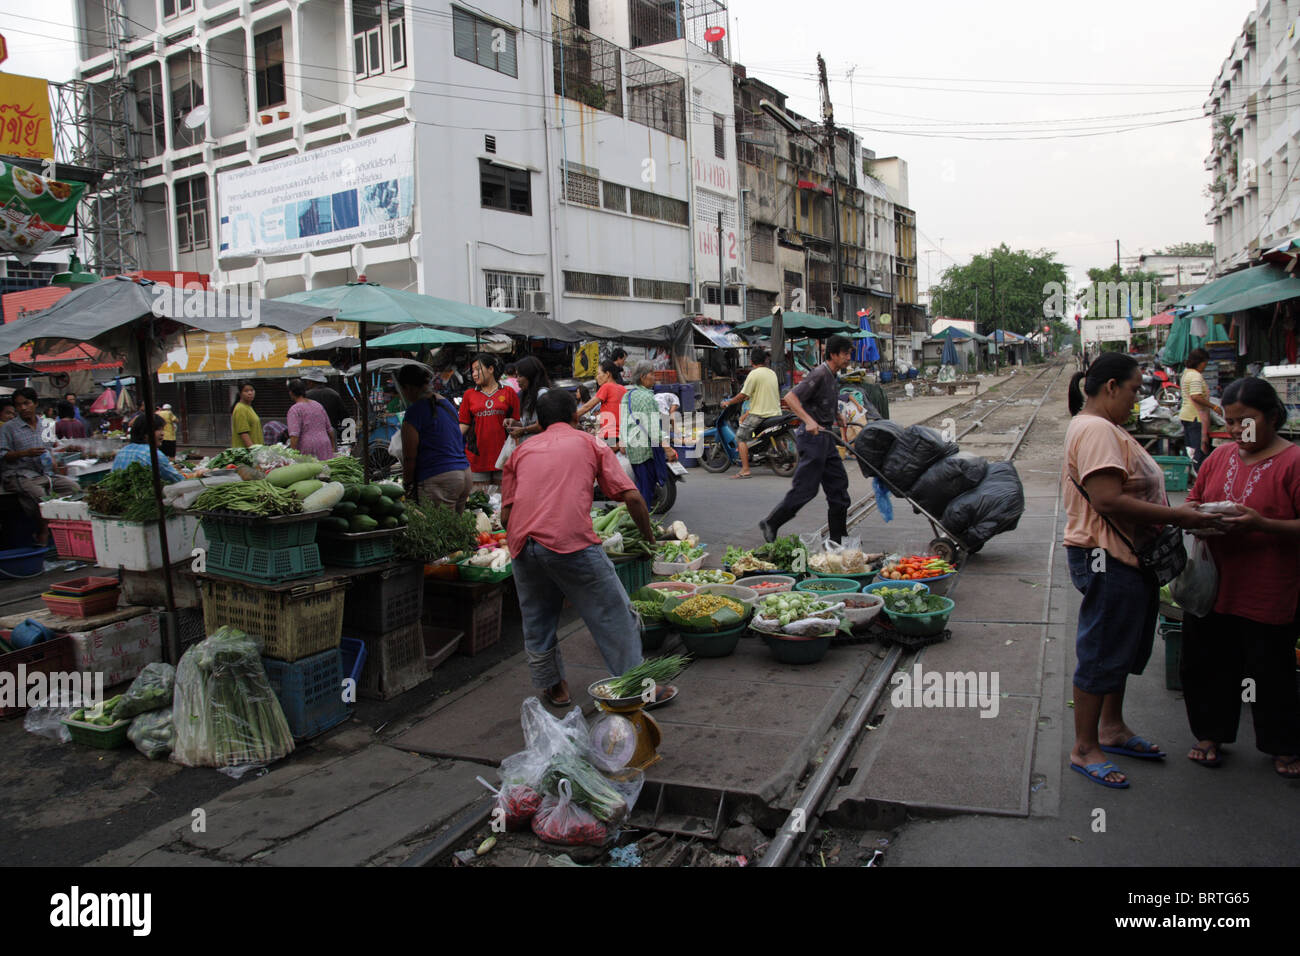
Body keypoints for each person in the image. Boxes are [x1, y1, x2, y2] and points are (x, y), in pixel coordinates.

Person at [1062, 352, 1222, 788]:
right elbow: (1107, 500)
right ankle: (1084, 747)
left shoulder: (1101, 425)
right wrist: (1183, 518)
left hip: (1123, 555)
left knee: (1120, 645)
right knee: (1102, 648)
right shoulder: (1096, 429)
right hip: (1107, 555)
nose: (1138, 399)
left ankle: (1111, 728)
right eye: (1134, 389)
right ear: (1110, 386)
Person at [503, 388, 653, 706]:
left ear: (540, 422)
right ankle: (636, 686)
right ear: (575, 416)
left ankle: (553, 686)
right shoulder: (590, 442)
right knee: (612, 612)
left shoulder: (520, 452)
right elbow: (633, 497)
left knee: (537, 618)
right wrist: (649, 538)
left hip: (521, 543)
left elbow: (506, 514)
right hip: (569, 540)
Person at [1181, 376, 1300, 777]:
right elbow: (1195, 498)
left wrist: (1262, 524)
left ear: (1271, 417)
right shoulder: (1220, 457)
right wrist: (1198, 518)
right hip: (1215, 587)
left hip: (1269, 588)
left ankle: (1283, 744)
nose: (1236, 430)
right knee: (1209, 663)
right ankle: (1211, 734)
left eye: (1244, 421)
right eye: (1230, 422)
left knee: (1272, 670)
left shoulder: (1293, 462)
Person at [759, 335, 855, 544]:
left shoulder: (833, 375)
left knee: (839, 487)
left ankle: (838, 540)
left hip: (826, 438)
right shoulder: (819, 373)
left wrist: (837, 415)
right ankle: (771, 522)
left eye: (849, 353)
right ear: (833, 354)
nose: (849, 357)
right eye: (845, 353)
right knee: (806, 489)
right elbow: (790, 397)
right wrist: (809, 421)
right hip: (812, 439)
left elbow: (823, 400)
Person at [0, 387, 80, 547]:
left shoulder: (45, 425)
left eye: (26, 403)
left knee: (74, 488)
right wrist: (25, 453)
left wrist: (67, 448)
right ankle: (43, 530)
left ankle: (62, 530)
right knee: (41, 497)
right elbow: (3, 454)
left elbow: (54, 446)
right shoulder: (8, 428)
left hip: (45, 473)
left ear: (35, 404)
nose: (23, 408)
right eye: (18, 405)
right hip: (19, 474)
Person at [398, 364, 472, 511]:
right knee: (456, 530)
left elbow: (409, 457)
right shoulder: (446, 404)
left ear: (409, 388)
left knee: (437, 532)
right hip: (464, 474)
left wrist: (407, 487)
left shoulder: (415, 411)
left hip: (439, 478)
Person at [619, 361, 678, 505]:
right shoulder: (647, 398)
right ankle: (641, 521)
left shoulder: (628, 395)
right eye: (652, 374)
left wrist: (622, 440)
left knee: (641, 486)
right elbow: (652, 427)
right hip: (646, 450)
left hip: (634, 449)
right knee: (646, 490)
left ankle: (637, 517)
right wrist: (667, 448)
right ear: (643, 377)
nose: (654, 377)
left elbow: (623, 420)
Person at [459, 352, 519, 487]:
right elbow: (464, 424)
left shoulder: (508, 393)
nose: (474, 374)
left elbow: (518, 423)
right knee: (478, 504)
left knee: (504, 502)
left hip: (504, 457)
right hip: (477, 458)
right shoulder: (469, 395)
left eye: (478, 369)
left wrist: (513, 423)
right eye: (472, 370)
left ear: (491, 369)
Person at [721, 347, 782, 479]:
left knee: (741, 437)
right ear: (765, 360)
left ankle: (745, 470)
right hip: (776, 411)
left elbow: (743, 394)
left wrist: (729, 402)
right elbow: (760, 392)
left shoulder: (754, 374)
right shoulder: (772, 373)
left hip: (760, 414)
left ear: (751, 361)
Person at [112, 413, 184, 483]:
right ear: (145, 433)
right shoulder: (153, 454)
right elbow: (178, 480)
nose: (162, 433)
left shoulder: (122, 451)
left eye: (162, 429)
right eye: (158, 429)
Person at [576, 360, 626, 445]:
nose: (596, 377)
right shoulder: (623, 389)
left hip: (608, 436)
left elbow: (587, 407)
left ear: (607, 374)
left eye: (599, 374)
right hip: (621, 436)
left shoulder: (606, 386)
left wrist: (569, 418)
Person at [1179, 348, 1214, 467]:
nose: (1205, 366)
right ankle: (1197, 476)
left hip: (1186, 415)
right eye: (1205, 363)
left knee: (1189, 449)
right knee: (1197, 449)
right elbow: (1196, 396)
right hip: (1195, 417)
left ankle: (1187, 475)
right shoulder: (1195, 376)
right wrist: (1213, 407)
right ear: (1200, 362)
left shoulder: (1186, 373)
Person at [506, 356, 551, 445]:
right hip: (528, 445)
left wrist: (523, 430)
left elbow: (542, 424)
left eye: (520, 376)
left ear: (531, 376)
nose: (517, 380)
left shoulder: (542, 394)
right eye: (516, 376)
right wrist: (514, 423)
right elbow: (528, 423)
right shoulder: (527, 395)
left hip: (540, 446)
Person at [287, 380, 335, 461]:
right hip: (325, 444)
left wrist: (292, 456)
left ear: (291, 393)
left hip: (308, 448)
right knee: (326, 471)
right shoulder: (317, 405)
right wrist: (332, 446)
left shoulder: (295, 410)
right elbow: (330, 429)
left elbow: (294, 436)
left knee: (312, 472)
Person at [300, 369, 348, 437]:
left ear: (310, 382)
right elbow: (345, 417)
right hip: (331, 434)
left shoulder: (306, 396)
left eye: (307, 381)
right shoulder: (334, 394)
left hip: (311, 435)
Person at [230, 382, 261, 449]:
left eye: (252, 390)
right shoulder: (240, 409)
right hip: (246, 453)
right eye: (246, 391)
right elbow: (244, 433)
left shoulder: (248, 407)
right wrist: (254, 451)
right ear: (240, 393)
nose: (250, 393)